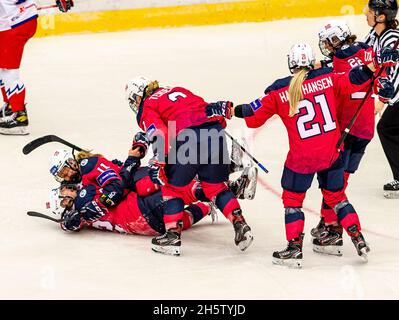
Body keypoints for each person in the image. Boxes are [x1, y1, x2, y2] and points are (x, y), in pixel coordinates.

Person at [207, 43, 398, 267]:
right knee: (337, 197)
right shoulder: (330, 77)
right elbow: (356, 78)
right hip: (331, 152)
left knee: (293, 201)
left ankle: (294, 248)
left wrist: (228, 109)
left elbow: (251, 113)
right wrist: (377, 63)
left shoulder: (279, 90)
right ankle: (359, 240)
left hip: (302, 158)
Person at [125, 77, 253, 256]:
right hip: (215, 132)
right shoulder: (177, 89)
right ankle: (240, 223)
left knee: (171, 187)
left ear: (138, 97)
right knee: (215, 187)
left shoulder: (147, 106)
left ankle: (172, 236)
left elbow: (160, 133)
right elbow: (209, 110)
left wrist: (159, 162)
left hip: (189, 138)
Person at [310, 20, 386, 255]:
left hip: (345, 129)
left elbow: (330, 74)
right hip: (365, 129)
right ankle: (328, 220)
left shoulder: (339, 62)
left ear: (337, 40)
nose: (327, 46)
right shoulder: (366, 50)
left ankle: (333, 229)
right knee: (342, 178)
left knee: (333, 181)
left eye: (329, 41)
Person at [0, 0, 73, 135]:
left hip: (13, 24)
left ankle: (19, 116)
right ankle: (11, 106)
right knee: (2, 68)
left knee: (8, 72)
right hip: (24, 19)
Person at [364, 0, 399, 198]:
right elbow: (359, 52)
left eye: (370, 12)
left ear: (382, 16)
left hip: (397, 96)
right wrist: (326, 63)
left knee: (387, 127)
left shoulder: (392, 38)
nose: (366, 15)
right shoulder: (375, 35)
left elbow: (391, 71)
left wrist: (382, 100)